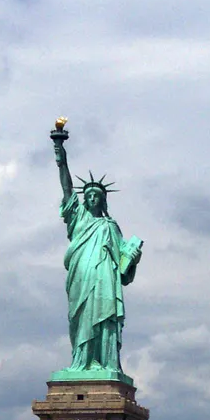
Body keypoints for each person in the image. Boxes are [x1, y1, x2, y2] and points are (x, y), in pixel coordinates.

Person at [53, 131, 142, 374]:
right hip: (81, 275)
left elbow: (124, 257)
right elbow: (67, 187)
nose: (91, 198)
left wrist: (133, 257)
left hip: (104, 276)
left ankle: (104, 362)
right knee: (80, 316)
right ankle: (81, 361)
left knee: (104, 317)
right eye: (88, 195)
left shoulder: (110, 226)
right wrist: (61, 156)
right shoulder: (78, 217)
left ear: (103, 201)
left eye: (96, 196)